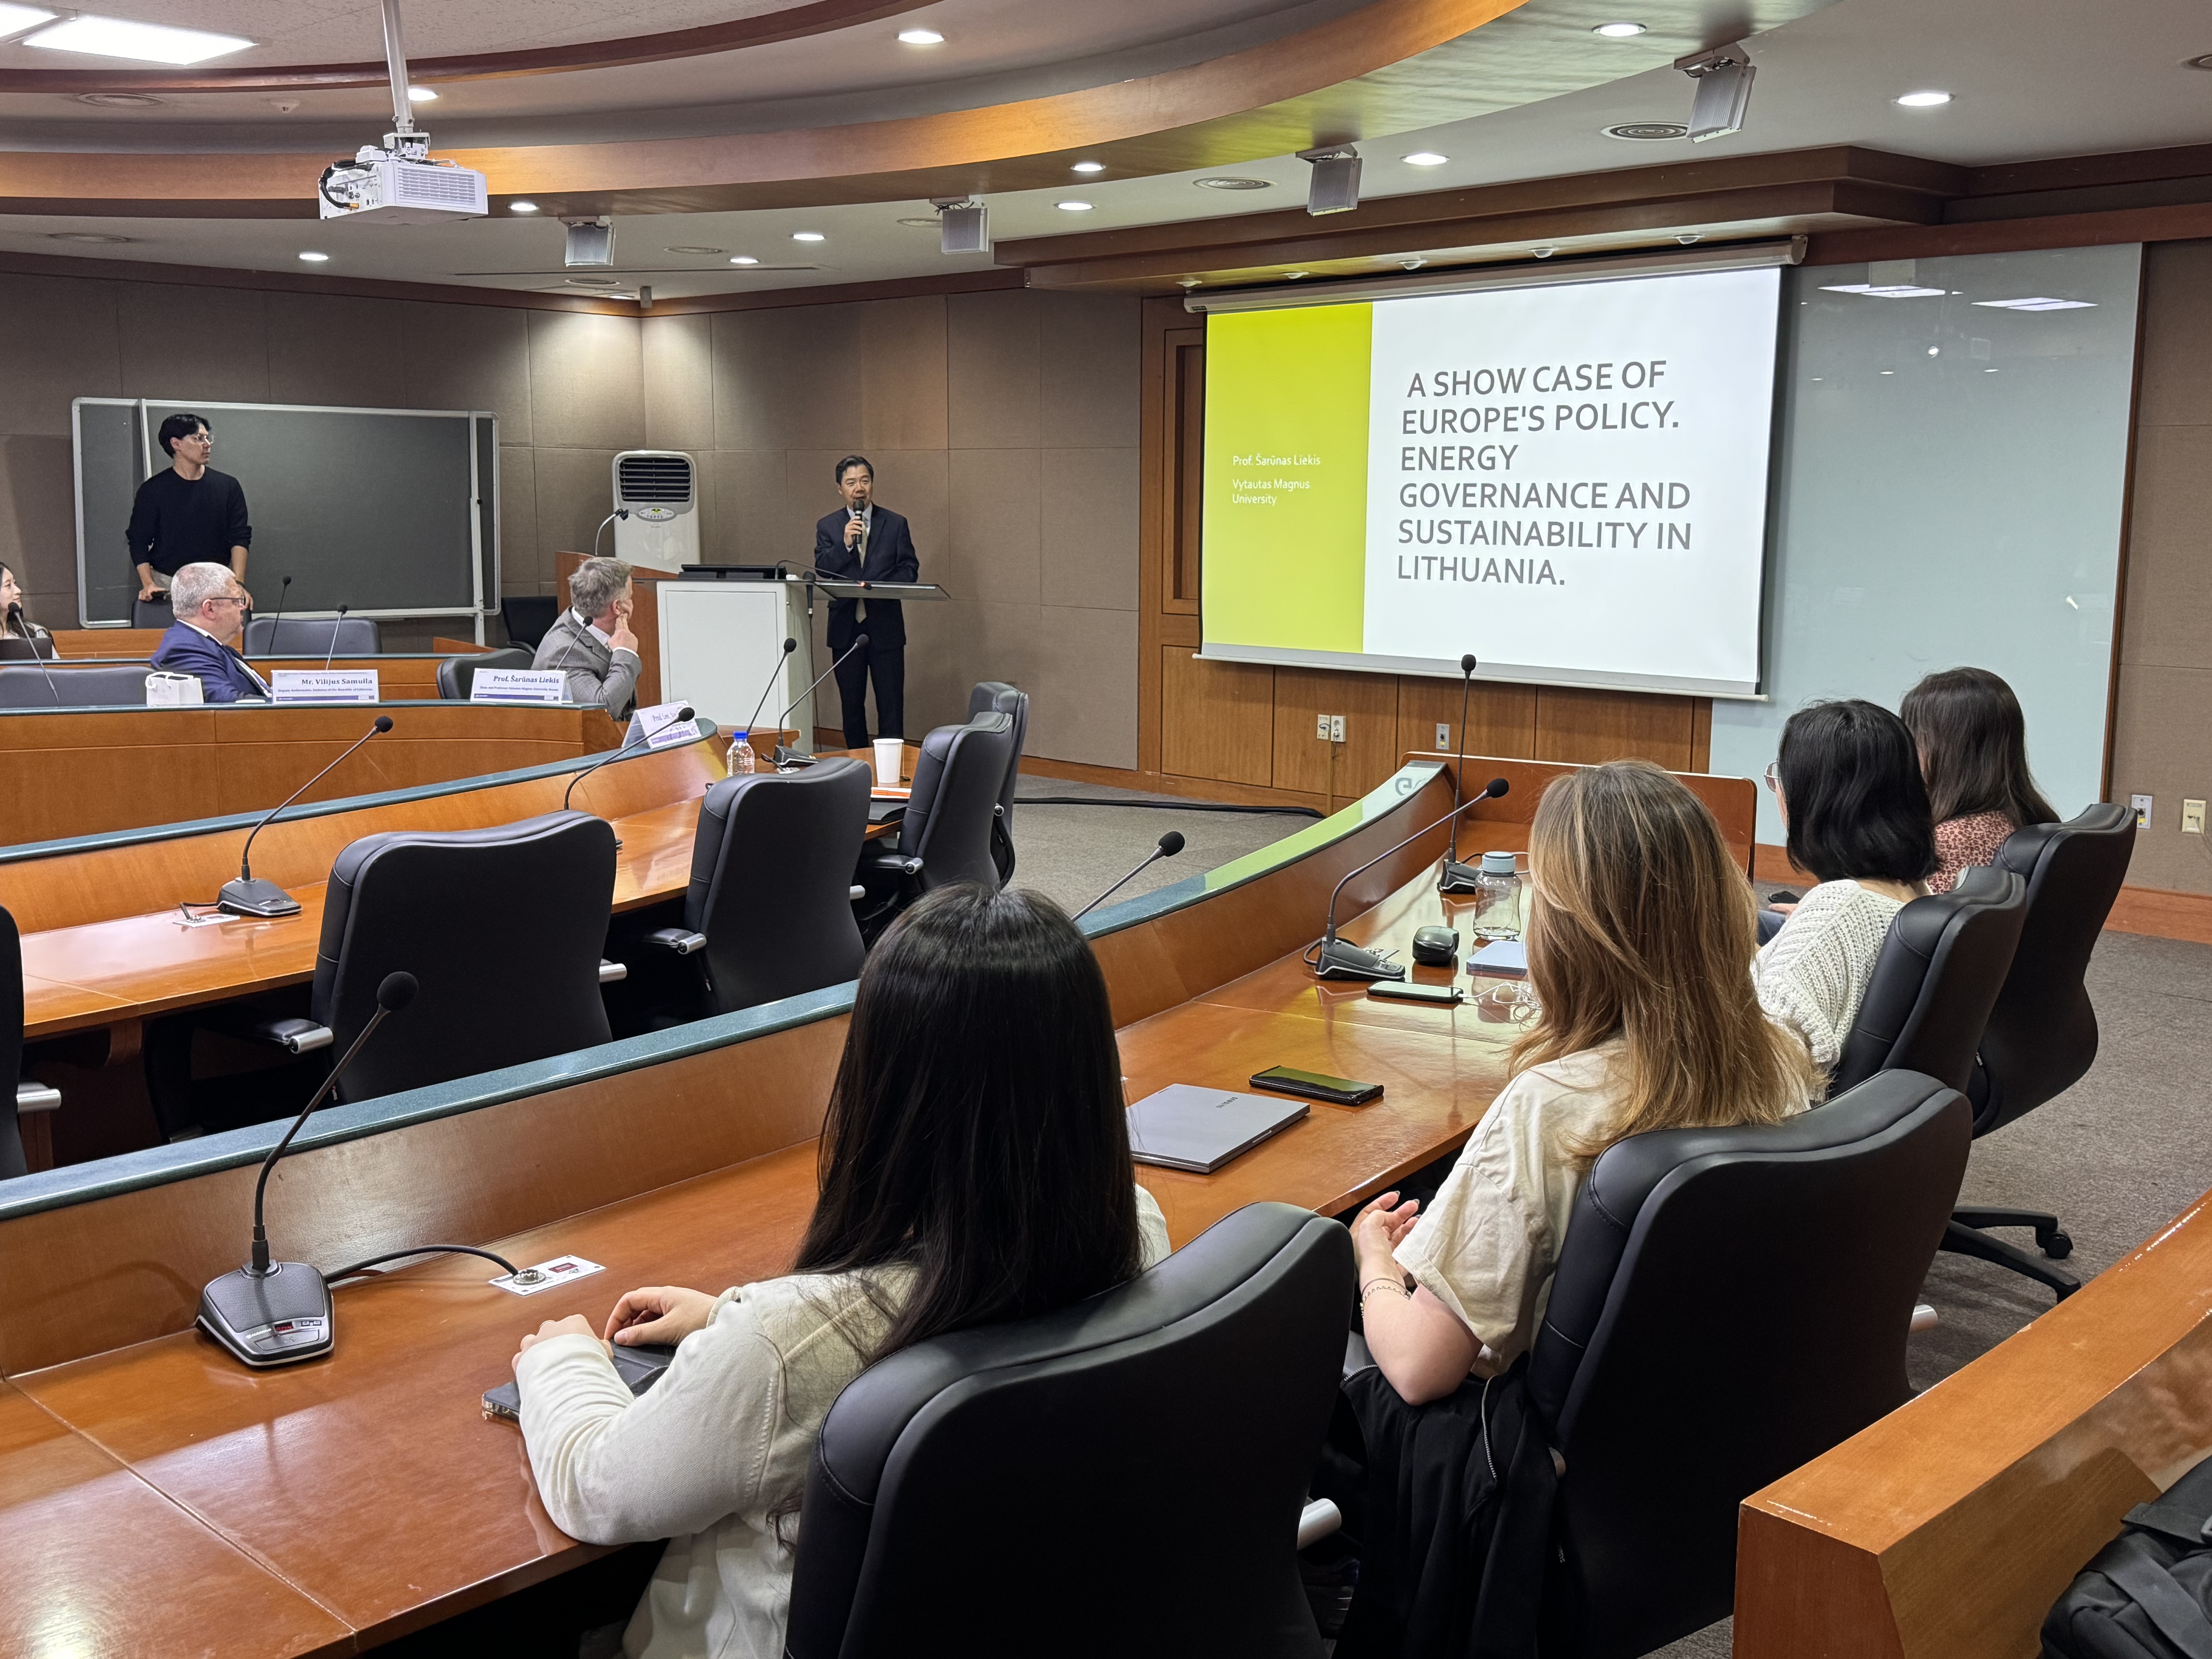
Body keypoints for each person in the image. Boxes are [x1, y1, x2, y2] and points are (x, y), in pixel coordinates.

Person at [510, 884, 1171, 1659]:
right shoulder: (1135, 1227)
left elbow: (596, 1489)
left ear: (882, 1086)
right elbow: (929, 1305)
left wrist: (561, 1360)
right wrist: (729, 1314)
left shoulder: (779, 1351)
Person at [1353, 760, 1814, 1404]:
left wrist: (1373, 1262)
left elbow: (1418, 1369)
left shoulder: (1549, 1108)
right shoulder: (1782, 1059)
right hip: (1711, 1406)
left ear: (1570, 930)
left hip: (1525, 1441)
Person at [1752, 699, 1937, 1074]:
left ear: (1813, 801)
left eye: (1782, 779)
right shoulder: (1917, 890)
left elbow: (1763, 1064)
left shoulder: (1836, 911)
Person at [1901, 666, 2058, 895]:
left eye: (1914, 736)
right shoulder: (2025, 818)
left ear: (1948, 749)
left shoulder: (1952, 841)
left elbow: (1909, 916)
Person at [812, 455, 918, 751]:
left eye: (864, 481)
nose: (859, 488)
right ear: (840, 489)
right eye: (851, 483)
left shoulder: (895, 524)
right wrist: (846, 544)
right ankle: (857, 767)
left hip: (886, 627)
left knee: (891, 705)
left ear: (872, 485)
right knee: (851, 706)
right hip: (846, 630)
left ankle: (892, 768)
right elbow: (823, 569)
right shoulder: (828, 526)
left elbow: (910, 570)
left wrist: (877, 585)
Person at [126, 413, 251, 623]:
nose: (207, 445)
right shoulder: (153, 490)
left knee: (220, 639)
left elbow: (240, 536)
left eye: (208, 438)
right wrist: (149, 584)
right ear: (176, 444)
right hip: (169, 584)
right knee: (174, 640)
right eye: (198, 439)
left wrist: (238, 583)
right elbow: (138, 540)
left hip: (217, 583)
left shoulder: (228, 487)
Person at [534, 556, 642, 720]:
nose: (632, 603)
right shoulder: (565, 652)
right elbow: (602, 712)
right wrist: (625, 653)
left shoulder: (583, 625)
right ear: (618, 607)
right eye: (630, 597)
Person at [149, 562, 271, 702]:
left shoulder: (206, 643)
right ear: (210, 609)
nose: (243, 607)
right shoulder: (184, 650)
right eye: (236, 601)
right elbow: (228, 702)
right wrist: (288, 703)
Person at [0, 561, 53, 654]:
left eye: (15, 584)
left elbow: (54, 665)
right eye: (8, 586)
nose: (18, 591)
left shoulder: (35, 634)